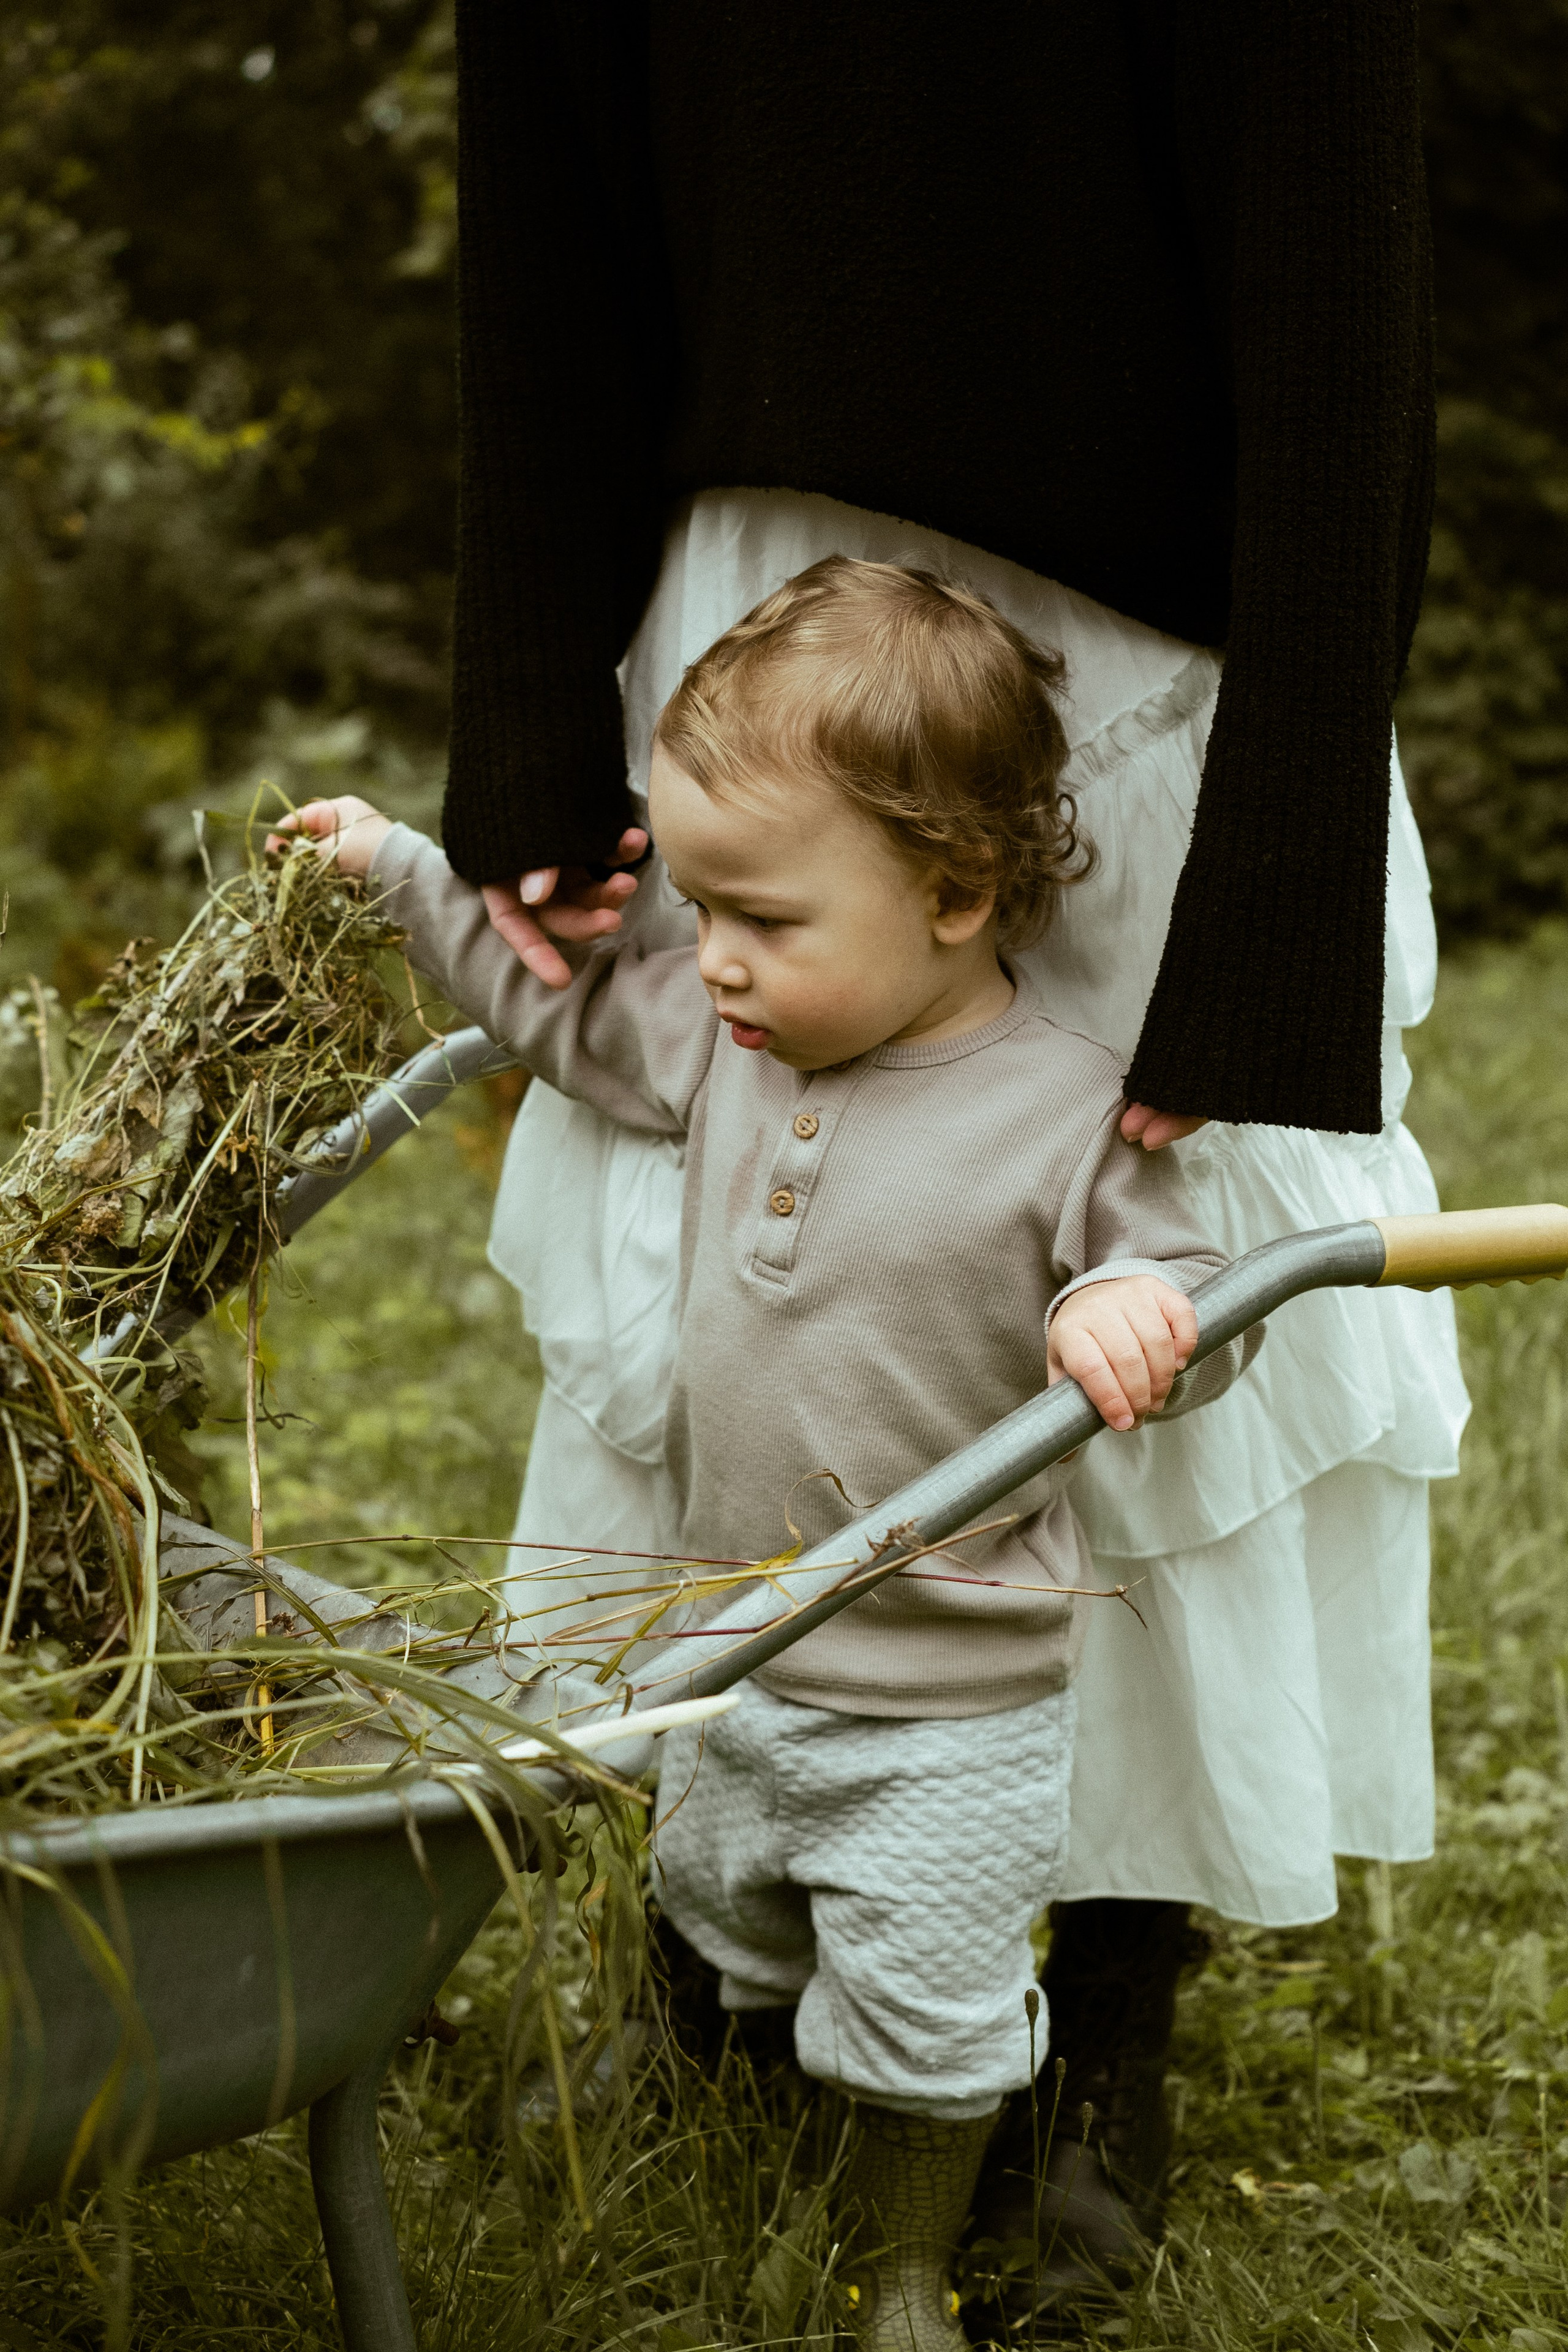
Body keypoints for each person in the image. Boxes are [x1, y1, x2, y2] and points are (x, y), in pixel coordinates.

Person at [442, 0, 1470, 2297]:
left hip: (1149, 648)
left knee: (1125, 1305)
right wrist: (524, 693)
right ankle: (732, 1946)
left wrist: (1277, 900)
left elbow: (1335, 273)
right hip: (750, 614)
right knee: (748, 1274)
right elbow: (552, 171)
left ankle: (1084, 2006)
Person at [285, 557, 1259, 2350]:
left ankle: (895, 2262)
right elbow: (557, 1015)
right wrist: (401, 879)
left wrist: (1141, 1314)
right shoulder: (721, 1047)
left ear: (961, 889)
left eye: (767, 917)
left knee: (930, 2002)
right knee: (725, 1916)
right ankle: (751, 2140)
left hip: (949, 1697)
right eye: (703, 904)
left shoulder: (1066, 1106)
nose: (713, 955)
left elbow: (1192, 1278)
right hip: (723, 1656)